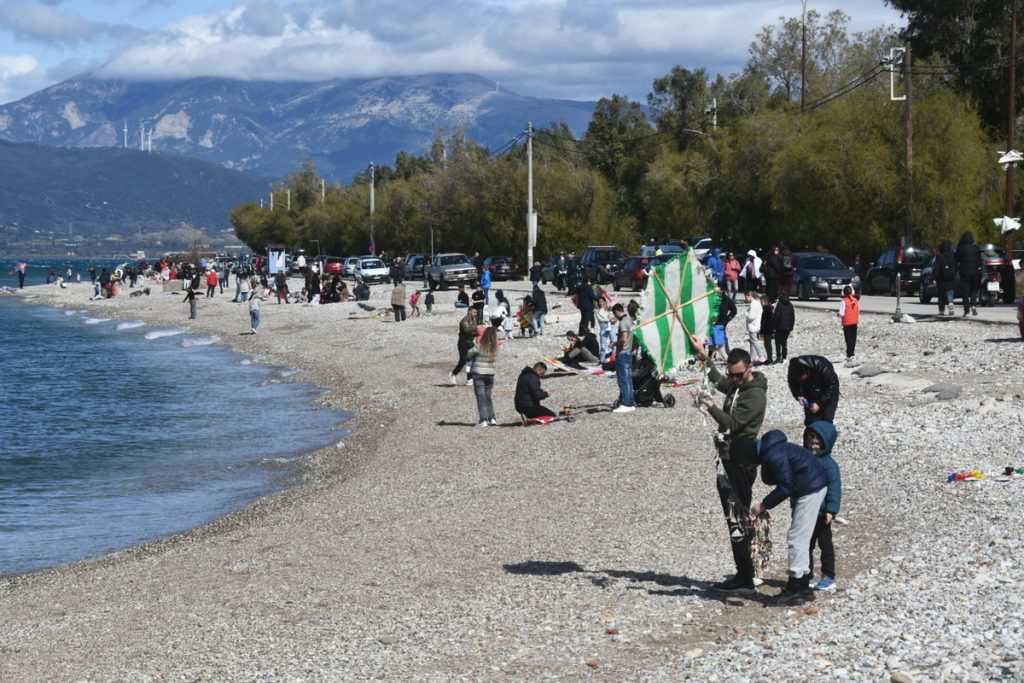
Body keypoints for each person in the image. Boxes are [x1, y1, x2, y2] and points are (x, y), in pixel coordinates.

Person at [691, 346, 769, 594]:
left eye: (738, 375)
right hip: (727, 456)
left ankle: (746, 576)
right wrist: (705, 356)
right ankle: (744, 572)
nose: (734, 379)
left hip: (740, 458)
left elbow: (733, 424)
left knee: (737, 516)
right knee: (732, 515)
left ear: (750, 368)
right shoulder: (738, 385)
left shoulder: (755, 395)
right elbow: (721, 382)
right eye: (732, 374)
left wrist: (711, 405)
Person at [749, 429, 829, 605]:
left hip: (811, 489)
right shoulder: (775, 449)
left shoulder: (773, 454)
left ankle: (796, 587)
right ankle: (803, 586)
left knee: (797, 537)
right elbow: (779, 480)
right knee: (800, 536)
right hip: (813, 485)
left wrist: (763, 506)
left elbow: (785, 487)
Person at [804, 421, 841, 592]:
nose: (813, 445)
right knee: (806, 545)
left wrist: (831, 510)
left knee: (825, 545)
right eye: (811, 441)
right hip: (806, 512)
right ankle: (807, 575)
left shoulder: (829, 465)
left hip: (822, 514)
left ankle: (828, 575)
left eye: (817, 443)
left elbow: (834, 488)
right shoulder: (803, 459)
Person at [787, 355, 840, 425]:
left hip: (829, 389)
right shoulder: (793, 369)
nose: (799, 380)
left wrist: (820, 404)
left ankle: (825, 432)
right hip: (809, 388)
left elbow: (832, 385)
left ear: (807, 372)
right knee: (810, 418)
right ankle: (812, 433)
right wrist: (798, 395)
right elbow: (792, 384)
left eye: (801, 378)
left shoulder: (822, 366)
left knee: (827, 417)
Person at [467, 327, 499, 427]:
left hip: (479, 373)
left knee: (481, 397)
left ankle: (483, 420)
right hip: (490, 374)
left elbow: (469, 353)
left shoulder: (480, 346)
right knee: (488, 396)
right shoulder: (495, 348)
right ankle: (492, 418)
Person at [611, 303, 636, 413]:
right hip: (629, 353)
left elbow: (624, 339)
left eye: (615, 314)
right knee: (629, 380)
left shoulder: (622, 323)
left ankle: (626, 404)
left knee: (623, 380)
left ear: (616, 312)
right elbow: (634, 338)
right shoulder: (630, 321)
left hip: (623, 353)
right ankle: (630, 402)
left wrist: (614, 344)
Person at [955, 231, 981, 316]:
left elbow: (956, 259)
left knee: (965, 291)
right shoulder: (976, 248)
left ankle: (966, 309)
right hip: (974, 272)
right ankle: (973, 305)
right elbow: (979, 259)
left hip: (964, 272)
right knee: (973, 290)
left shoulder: (961, 248)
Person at [449, 308, 478, 386]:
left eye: (476, 312)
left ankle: (470, 379)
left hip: (470, 343)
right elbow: (467, 330)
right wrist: (476, 330)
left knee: (472, 361)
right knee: (463, 361)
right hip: (463, 343)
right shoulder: (464, 320)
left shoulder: (473, 320)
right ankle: (453, 374)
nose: (475, 313)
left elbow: (474, 331)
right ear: (469, 311)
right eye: (474, 312)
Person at [934, 239, 957, 316]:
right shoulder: (952, 256)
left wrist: (934, 278)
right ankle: (950, 303)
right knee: (950, 294)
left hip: (941, 280)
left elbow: (937, 268)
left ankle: (941, 310)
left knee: (941, 296)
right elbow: (956, 267)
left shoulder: (939, 256)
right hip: (951, 279)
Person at [837, 285, 859, 360]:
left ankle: (849, 354)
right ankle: (852, 353)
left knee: (848, 339)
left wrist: (837, 315)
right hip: (854, 322)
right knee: (853, 338)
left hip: (847, 323)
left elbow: (841, 313)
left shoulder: (843, 301)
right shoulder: (855, 300)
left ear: (843, 293)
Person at [744, 290, 766, 363]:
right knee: (752, 342)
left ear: (749, 296)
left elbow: (751, 316)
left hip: (752, 326)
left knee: (754, 341)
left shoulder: (752, 304)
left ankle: (761, 355)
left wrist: (746, 314)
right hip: (757, 325)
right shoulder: (758, 303)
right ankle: (751, 357)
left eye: (746, 297)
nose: (745, 299)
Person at [772, 292, 795, 363]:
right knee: (784, 342)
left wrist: (773, 326)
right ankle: (784, 357)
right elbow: (792, 317)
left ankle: (778, 357)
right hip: (787, 328)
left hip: (779, 327)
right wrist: (791, 327)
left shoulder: (779, 305)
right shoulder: (790, 305)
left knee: (777, 342)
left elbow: (776, 316)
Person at [595, 297, 615, 362]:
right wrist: (608, 319)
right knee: (603, 346)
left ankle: (613, 360)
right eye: (599, 301)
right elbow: (600, 319)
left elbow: (613, 315)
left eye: (601, 301)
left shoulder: (608, 309)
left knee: (614, 343)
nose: (600, 303)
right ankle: (602, 360)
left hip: (610, 326)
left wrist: (611, 319)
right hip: (603, 326)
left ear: (604, 302)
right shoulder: (596, 310)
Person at [759, 295, 775, 365]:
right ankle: (769, 358)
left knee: (768, 345)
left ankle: (770, 358)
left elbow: (768, 322)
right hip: (766, 330)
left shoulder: (767, 310)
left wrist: (769, 330)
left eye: (761, 301)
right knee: (767, 345)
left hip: (767, 330)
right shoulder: (766, 309)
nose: (760, 303)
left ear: (766, 302)